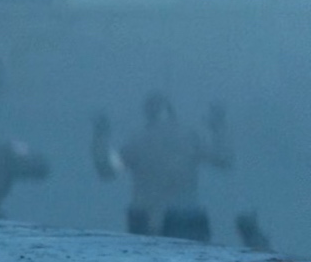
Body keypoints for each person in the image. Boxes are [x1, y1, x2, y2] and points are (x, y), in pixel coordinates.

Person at [92, 92, 232, 241]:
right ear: (172, 112)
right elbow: (223, 160)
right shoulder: (190, 138)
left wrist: (100, 135)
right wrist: (219, 127)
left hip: (146, 219)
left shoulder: (138, 141)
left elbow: (107, 170)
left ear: (148, 113)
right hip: (185, 216)